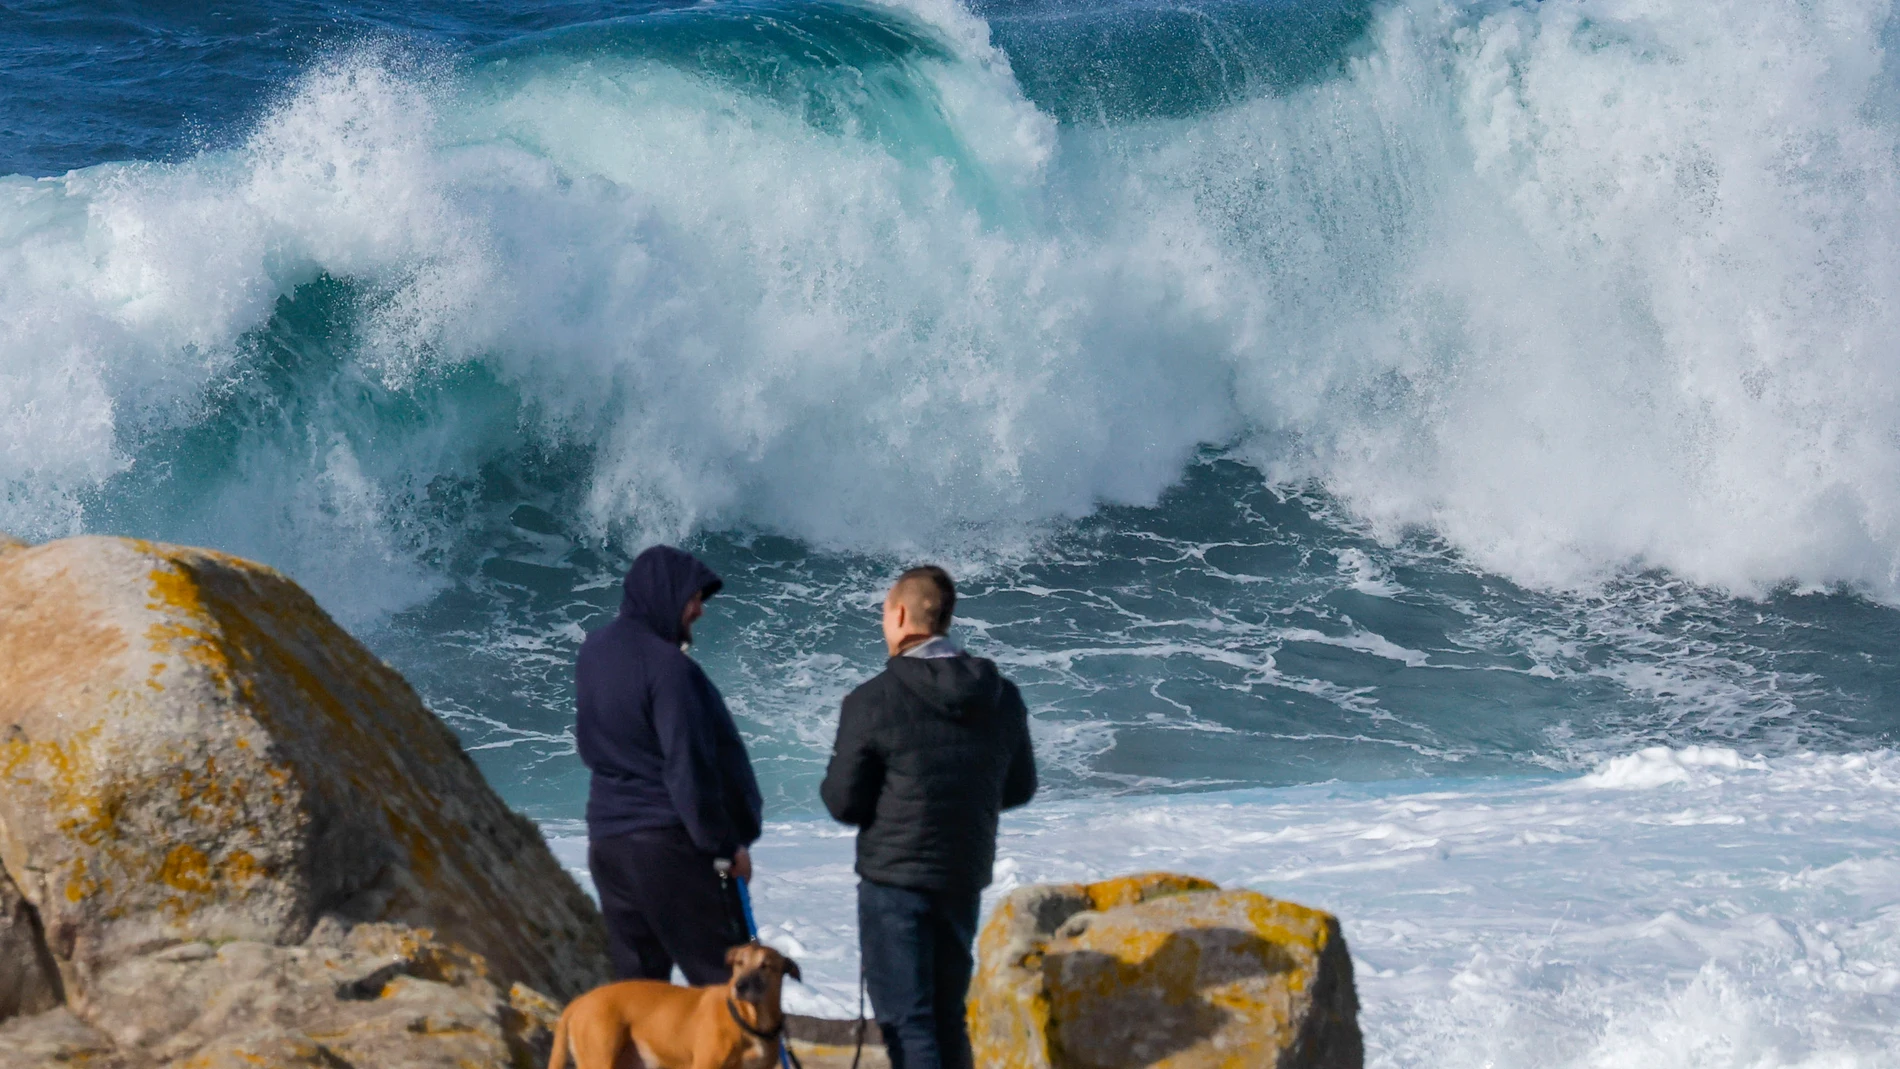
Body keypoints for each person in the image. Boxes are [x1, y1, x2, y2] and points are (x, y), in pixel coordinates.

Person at [821, 565, 1038, 1069]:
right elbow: (1020, 788)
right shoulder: (1001, 696)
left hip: (895, 880)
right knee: (947, 1017)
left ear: (899, 614)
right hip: (962, 873)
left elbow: (843, 802)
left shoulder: (871, 699)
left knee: (907, 1022)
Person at [576, 544, 763, 985]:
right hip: (666, 847)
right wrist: (724, 847)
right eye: (694, 597)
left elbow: (589, 743)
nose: (699, 610)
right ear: (666, 594)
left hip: (608, 845)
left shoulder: (593, 653)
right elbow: (688, 770)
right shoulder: (668, 668)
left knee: (639, 996)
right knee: (726, 992)